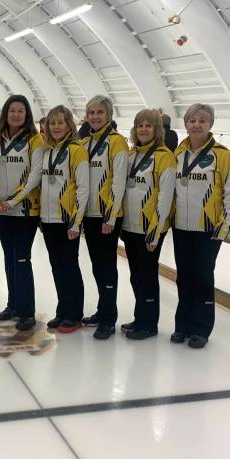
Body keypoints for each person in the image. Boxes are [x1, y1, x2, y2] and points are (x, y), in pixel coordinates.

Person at [0, 95, 44, 331]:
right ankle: (13, 304)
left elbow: (34, 176)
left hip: (25, 211)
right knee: (9, 257)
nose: (16, 115)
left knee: (21, 258)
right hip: (1, 211)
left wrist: (12, 200)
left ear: (27, 115)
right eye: (12, 111)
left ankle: (27, 311)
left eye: (21, 111)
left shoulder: (34, 141)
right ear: (5, 114)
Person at [171, 103, 230, 348]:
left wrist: (225, 226)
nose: (196, 124)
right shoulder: (178, 153)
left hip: (208, 228)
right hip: (180, 226)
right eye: (192, 120)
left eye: (202, 121)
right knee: (183, 277)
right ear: (185, 124)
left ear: (210, 125)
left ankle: (201, 329)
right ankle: (182, 325)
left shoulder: (223, 155)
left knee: (203, 277)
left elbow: (228, 193)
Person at [121, 109, 176, 340]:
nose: (143, 129)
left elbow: (165, 199)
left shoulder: (165, 157)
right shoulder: (132, 155)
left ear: (157, 129)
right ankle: (139, 318)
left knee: (147, 275)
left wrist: (154, 233)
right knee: (136, 275)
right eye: (140, 125)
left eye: (149, 125)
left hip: (149, 229)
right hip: (130, 227)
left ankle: (149, 324)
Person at [81, 95, 129, 340]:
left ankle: (109, 319)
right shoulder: (86, 142)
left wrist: (110, 217)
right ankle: (102, 310)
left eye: (100, 112)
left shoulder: (117, 142)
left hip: (107, 216)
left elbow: (119, 181)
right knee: (97, 266)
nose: (96, 116)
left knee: (107, 266)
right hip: (89, 214)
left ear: (109, 116)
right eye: (92, 113)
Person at [39, 105, 89, 333]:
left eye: (60, 122)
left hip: (67, 221)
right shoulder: (47, 150)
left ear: (69, 125)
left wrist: (76, 222)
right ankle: (62, 310)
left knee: (69, 267)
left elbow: (82, 189)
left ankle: (74, 314)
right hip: (49, 220)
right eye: (52, 123)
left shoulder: (76, 150)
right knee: (57, 267)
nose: (56, 127)